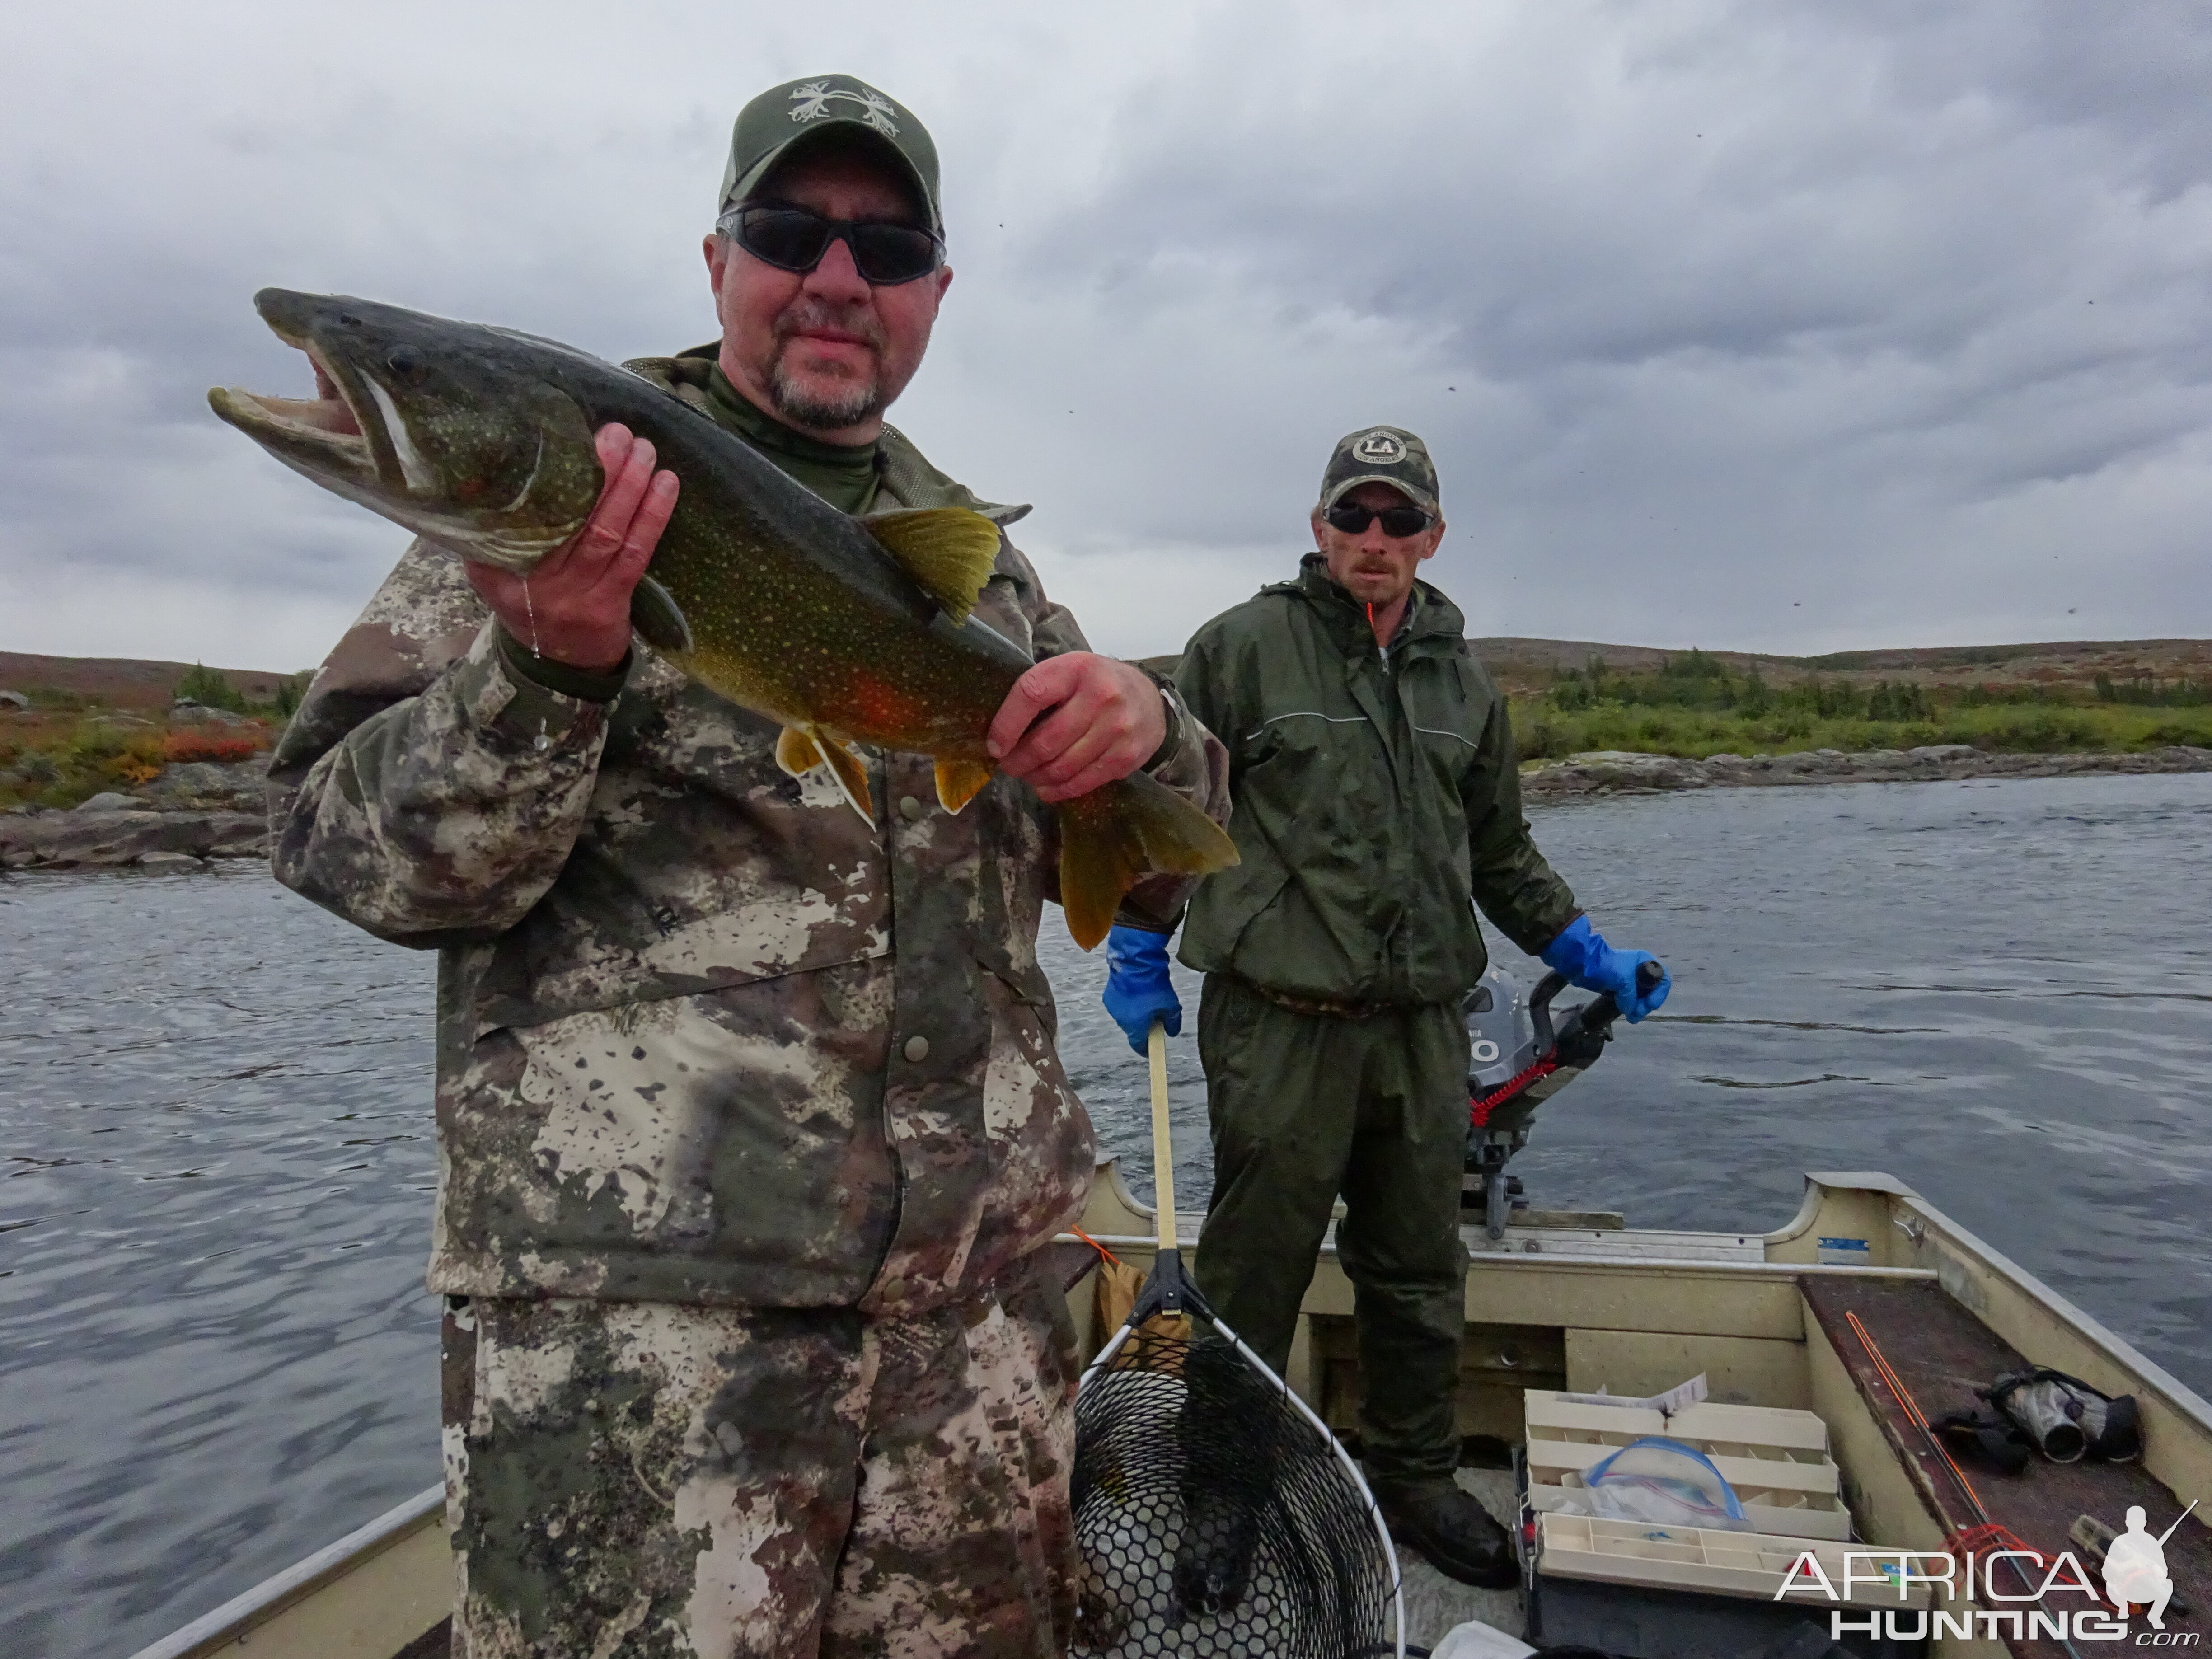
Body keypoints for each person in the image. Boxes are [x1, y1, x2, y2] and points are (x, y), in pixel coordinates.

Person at [269, 74, 1227, 1658]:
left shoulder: (975, 559)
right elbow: (341, 850)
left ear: (931, 291)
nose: (837, 278)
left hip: (971, 1340)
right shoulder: (561, 501)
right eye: (790, 231)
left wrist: (1147, 734)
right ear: (717, 262)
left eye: (885, 245)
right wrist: (543, 672)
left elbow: (1160, 883)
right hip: (647, 1356)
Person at [1102, 426, 1668, 1588]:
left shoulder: (1462, 681)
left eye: (1398, 520)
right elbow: (1157, 807)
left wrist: (1585, 948)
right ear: (1317, 528)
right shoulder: (1239, 650)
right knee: (1253, 1268)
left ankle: (1413, 1477)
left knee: (1417, 1269)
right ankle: (1226, 1491)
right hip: (1277, 1021)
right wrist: (1133, 940)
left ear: (1432, 535)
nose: (1374, 539)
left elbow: (1498, 853)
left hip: (1420, 1027)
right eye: (1352, 517)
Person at [2104, 1506, 2174, 1629]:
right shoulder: (2121, 1542)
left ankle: (2155, 1616)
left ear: (2145, 1523)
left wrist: (2154, 1567)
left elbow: (2158, 1564)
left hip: (2147, 1575)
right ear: (2127, 1523)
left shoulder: (2149, 1541)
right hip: (2128, 1580)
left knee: (2165, 1587)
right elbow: (2114, 1570)